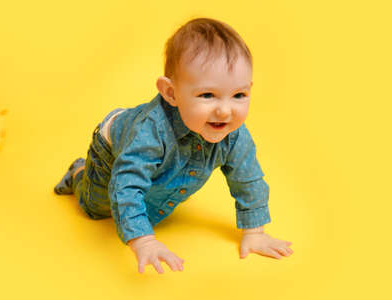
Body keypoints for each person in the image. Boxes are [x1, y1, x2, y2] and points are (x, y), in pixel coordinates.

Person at [54, 17, 293, 274]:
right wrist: (143, 240)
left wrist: (254, 231)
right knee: (97, 208)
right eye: (207, 95)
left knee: (153, 198)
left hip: (156, 149)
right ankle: (80, 171)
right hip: (112, 149)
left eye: (239, 95)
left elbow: (248, 179)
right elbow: (127, 184)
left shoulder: (233, 135)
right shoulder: (151, 131)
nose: (225, 110)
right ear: (170, 93)